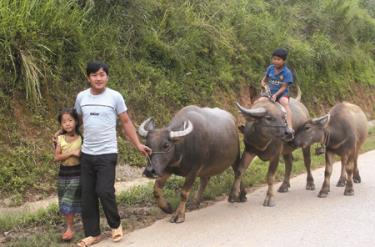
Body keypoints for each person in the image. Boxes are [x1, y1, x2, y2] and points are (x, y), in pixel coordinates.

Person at [75, 61, 151, 247]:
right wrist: (63, 137)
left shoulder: (115, 97)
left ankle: (115, 225)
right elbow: (76, 120)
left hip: (107, 153)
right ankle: (93, 234)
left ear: (107, 77)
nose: (98, 78)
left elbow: (126, 122)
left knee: (104, 190)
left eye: (102, 74)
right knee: (87, 194)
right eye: (94, 75)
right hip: (86, 154)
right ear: (88, 78)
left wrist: (138, 144)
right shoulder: (81, 97)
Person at [54, 108, 82, 241]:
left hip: (78, 172)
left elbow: (84, 155)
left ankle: (84, 224)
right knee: (66, 201)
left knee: (72, 199)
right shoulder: (60, 139)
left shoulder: (82, 138)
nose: (67, 124)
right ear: (61, 125)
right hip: (64, 173)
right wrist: (71, 153)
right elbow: (57, 157)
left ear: (76, 121)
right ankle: (70, 227)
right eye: (64, 121)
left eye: (70, 120)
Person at [259, 48, 294, 139]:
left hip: (282, 94)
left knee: (285, 103)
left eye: (278, 59)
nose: (276, 61)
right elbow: (265, 79)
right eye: (274, 59)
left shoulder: (287, 72)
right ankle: (251, 121)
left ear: (283, 61)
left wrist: (276, 95)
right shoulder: (270, 68)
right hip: (269, 92)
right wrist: (263, 83)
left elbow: (284, 87)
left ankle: (289, 127)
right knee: (260, 101)